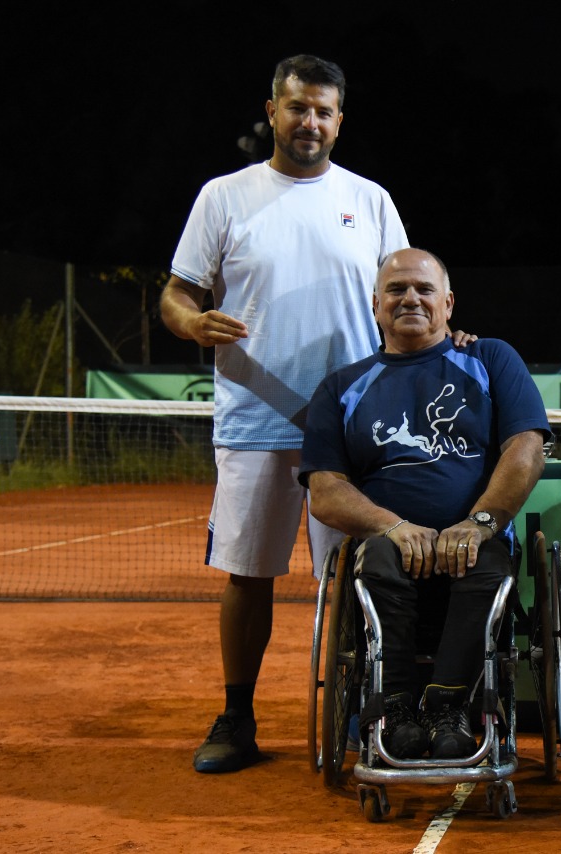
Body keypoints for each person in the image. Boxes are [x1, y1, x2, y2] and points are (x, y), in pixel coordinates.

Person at [161, 54, 410, 773]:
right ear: (272, 111)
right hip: (254, 421)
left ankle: (363, 714)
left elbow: (406, 291)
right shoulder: (224, 197)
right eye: (297, 107)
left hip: (353, 428)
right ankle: (237, 717)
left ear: (339, 120)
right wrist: (191, 321)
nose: (310, 122)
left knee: (362, 577)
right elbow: (176, 294)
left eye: (323, 111)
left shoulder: (370, 200)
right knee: (248, 575)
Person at [299, 248, 550, 759]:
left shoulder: (491, 359)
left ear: (449, 303)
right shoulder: (341, 387)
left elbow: (526, 450)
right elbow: (324, 489)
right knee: (382, 558)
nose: (410, 298)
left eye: (423, 289)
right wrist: (391, 526)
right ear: (375, 306)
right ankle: (394, 708)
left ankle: (448, 707)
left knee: (486, 560)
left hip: (477, 540)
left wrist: (479, 524)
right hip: (388, 546)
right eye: (396, 290)